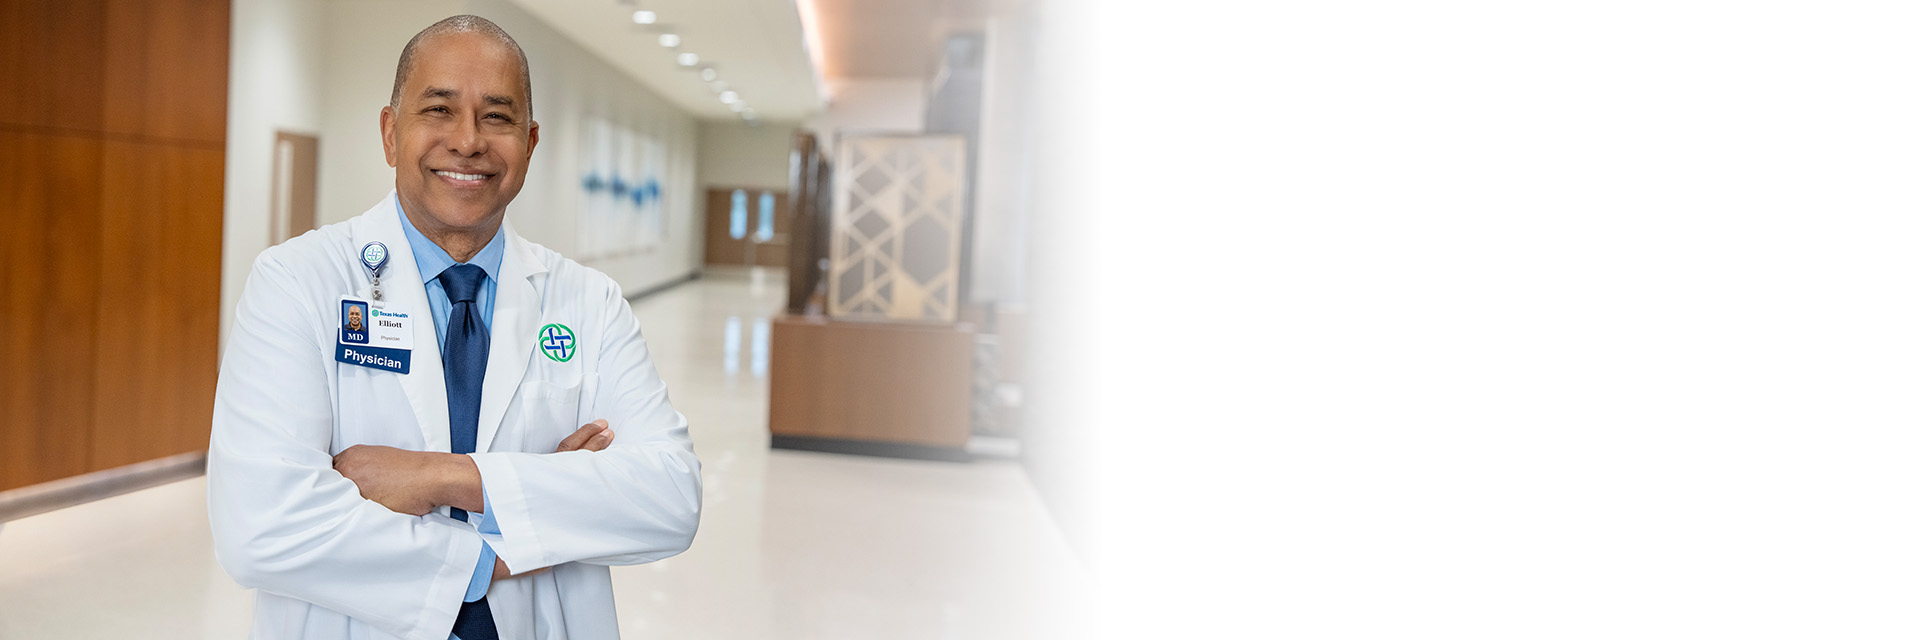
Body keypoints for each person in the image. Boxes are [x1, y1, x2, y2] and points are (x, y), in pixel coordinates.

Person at [207, 15, 701, 640]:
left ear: (531, 140)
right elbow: (261, 527)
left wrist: (441, 477)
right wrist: (522, 528)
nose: (468, 141)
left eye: (497, 116)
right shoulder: (297, 282)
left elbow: (670, 499)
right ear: (390, 133)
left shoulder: (589, 302)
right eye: (438, 110)